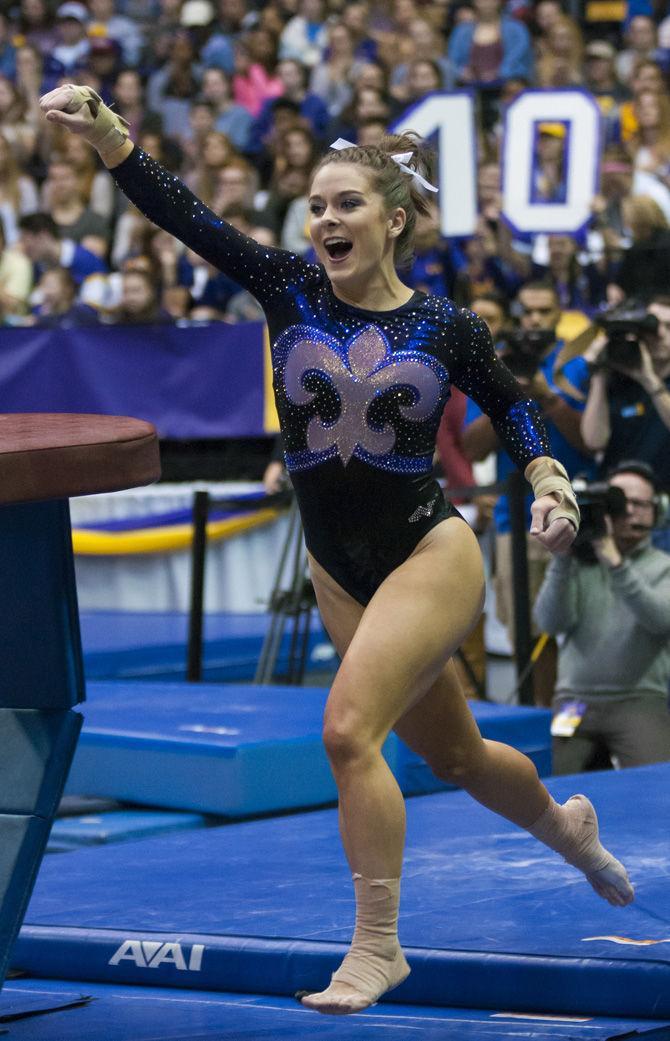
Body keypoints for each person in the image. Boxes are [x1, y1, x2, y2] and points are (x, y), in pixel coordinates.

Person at [40, 83, 634, 1017]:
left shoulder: (443, 324)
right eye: (316, 206)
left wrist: (549, 479)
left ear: (393, 220)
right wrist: (111, 129)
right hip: (337, 566)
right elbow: (182, 213)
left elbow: (516, 404)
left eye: (346, 203)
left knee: (347, 731)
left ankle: (376, 946)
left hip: (428, 552)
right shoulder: (287, 287)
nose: (325, 219)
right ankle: (571, 830)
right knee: (462, 758)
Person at [462, 282, 595, 706]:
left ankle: (577, 726)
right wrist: (511, 398)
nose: (535, 320)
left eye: (545, 311)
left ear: (560, 314)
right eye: (529, 311)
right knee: (526, 630)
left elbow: (590, 443)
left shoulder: (576, 364)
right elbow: (472, 447)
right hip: (515, 519)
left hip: (576, 512)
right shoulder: (494, 364)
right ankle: (539, 718)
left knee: (584, 629)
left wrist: (548, 397)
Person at [534, 460, 670, 773]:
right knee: (547, 785)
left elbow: (660, 619)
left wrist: (615, 562)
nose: (630, 512)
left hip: (638, 699)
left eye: (640, 504)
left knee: (658, 787)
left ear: (656, 511)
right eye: (621, 502)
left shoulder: (663, 566)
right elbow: (549, 623)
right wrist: (561, 561)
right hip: (574, 701)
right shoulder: (578, 565)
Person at [581, 295, 670, 492]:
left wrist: (649, 380)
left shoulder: (648, 380)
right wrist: (599, 375)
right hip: (617, 499)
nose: (660, 334)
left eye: (669, 327)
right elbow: (594, 440)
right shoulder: (619, 377)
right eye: (653, 327)